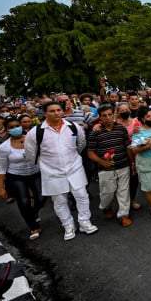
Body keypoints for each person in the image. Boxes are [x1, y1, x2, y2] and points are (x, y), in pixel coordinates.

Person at [24, 101, 98, 241]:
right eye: (52, 111)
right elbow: (30, 154)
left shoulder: (73, 127)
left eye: (58, 110)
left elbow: (81, 144)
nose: (56, 113)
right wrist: (46, 165)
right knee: (59, 201)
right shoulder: (36, 132)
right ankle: (68, 225)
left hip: (74, 168)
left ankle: (84, 222)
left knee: (82, 195)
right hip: (52, 172)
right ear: (45, 113)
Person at [0, 116, 44, 240]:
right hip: (16, 177)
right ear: (6, 130)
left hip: (36, 173)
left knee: (41, 197)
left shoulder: (32, 140)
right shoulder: (4, 147)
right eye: (11, 127)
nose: (15, 129)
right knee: (24, 201)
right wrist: (1, 188)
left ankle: (32, 214)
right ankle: (33, 227)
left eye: (17, 126)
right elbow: (1, 168)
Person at [87, 104, 133, 227]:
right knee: (107, 193)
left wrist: (132, 163)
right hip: (105, 169)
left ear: (114, 114)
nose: (108, 117)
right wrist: (102, 162)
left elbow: (127, 146)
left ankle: (123, 215)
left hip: (123, 165)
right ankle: (106, 207)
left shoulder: (121, 128)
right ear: (100, 117)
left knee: (123, 191)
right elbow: (90, 153)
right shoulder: (95, 132)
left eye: (110, 114)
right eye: (104, 115)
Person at [115, 102, 142, 210]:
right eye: (121, 110)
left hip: (135, 152)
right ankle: (123, 201)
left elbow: (143, 135)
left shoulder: (136, 122)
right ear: (118, 112)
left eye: (126, 109)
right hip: (121, 153)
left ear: (129, 110)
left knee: (134, 177)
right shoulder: (115, 123)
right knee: (123, 178)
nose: (124, 112)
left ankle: (132, 200)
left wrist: (138, 133)